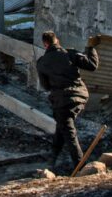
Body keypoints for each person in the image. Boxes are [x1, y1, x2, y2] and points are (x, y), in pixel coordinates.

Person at [36, 31, 100, 172]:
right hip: (80, 96)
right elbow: (92, 65)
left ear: (45, 44)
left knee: (69, 134)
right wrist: (90, 48)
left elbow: (46, 86)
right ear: (57, 40)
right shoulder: (70, 53)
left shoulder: (42, 62)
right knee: (63, 127)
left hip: (62, 101)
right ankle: (52, 160)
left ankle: (80, 168)